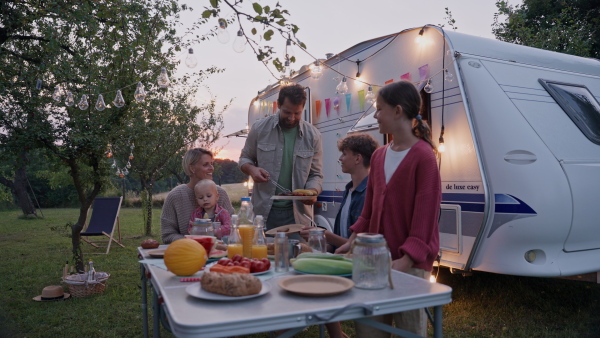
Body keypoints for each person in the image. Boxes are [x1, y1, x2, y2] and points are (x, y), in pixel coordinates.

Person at [335, 81, 441, 337]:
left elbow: (425, 217)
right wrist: (352, 240)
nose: (375, 115)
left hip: (411, 264)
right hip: (374, 258)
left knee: (409, 329)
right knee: (369, 328)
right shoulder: (380, 155)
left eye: (379, 109)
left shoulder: (424, 157)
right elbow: (369, 209)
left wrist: (406, 259)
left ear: (397, 111)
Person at [239, 83, 323, 230]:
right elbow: (244, 159)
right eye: (287, 112)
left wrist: (312, 192)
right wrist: (252, 170)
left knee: (300, 253)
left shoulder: (313, 135)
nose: (291, 118)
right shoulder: (259, 129)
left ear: (303, 108)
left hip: (299, 215)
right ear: (278, 105)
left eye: (297, 113)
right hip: (264, 212)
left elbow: (316, 174)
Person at [299, 133, 379, 251]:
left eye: (344, 154)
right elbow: (340, 244)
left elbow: (360, 247)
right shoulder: (349, 191)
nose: (340, 158)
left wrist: (324, 234)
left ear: (358, 158)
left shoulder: (367, 195)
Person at [161, 148, 235, 244]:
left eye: (211, 164)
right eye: (205, 165)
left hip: (219, 251)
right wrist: (192, 242)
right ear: (192, 168)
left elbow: (233, 228)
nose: (211, 168)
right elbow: (168, 235)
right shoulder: (175, 196)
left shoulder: (220, 193)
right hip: (188, 252)